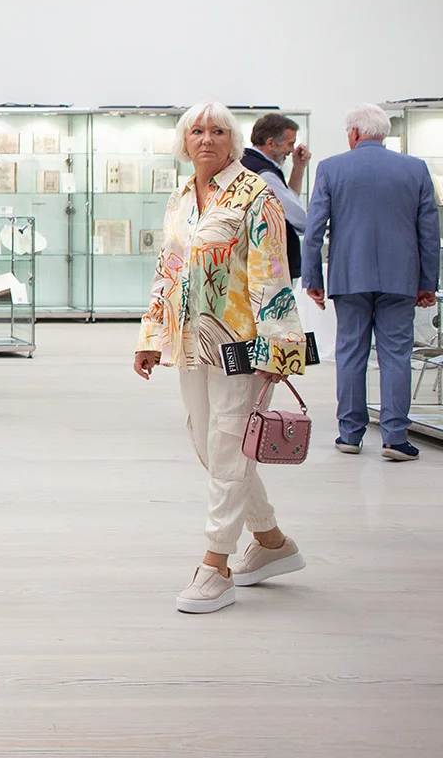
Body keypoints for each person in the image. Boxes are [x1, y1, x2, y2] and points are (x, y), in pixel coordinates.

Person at [137, 101, 308, 614]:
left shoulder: (257, 194)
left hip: (244, 344)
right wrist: (151, 334)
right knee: (209, 444)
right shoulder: (180, 197)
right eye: (197, 131)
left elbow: (272, 273)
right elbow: (168, 268)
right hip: (192, 342)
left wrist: (279, 348)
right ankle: (273, 543)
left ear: (233, 140)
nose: (206, 139)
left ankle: (216, 564)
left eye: (217, 131)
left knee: (229, 445)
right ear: (184, 142)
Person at [303, 103, 439, 462]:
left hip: (349, 276)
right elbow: (429, 231)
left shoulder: (331, 168)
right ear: (384, 133)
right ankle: (395, 437)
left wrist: (313, 277)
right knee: (397, 355)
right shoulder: (415, 169)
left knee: (350, 353)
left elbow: (314, 229)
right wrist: (428, 282)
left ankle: (350, 433)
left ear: (353, 134)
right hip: (401, 277)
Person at [242, 114, 309, 282]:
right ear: (271, 143)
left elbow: (288, 200)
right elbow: (297, 217)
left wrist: (298, 168)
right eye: (290, 144)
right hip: (269, 266)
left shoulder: (249, 164)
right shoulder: (264, 174)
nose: (292, 150)